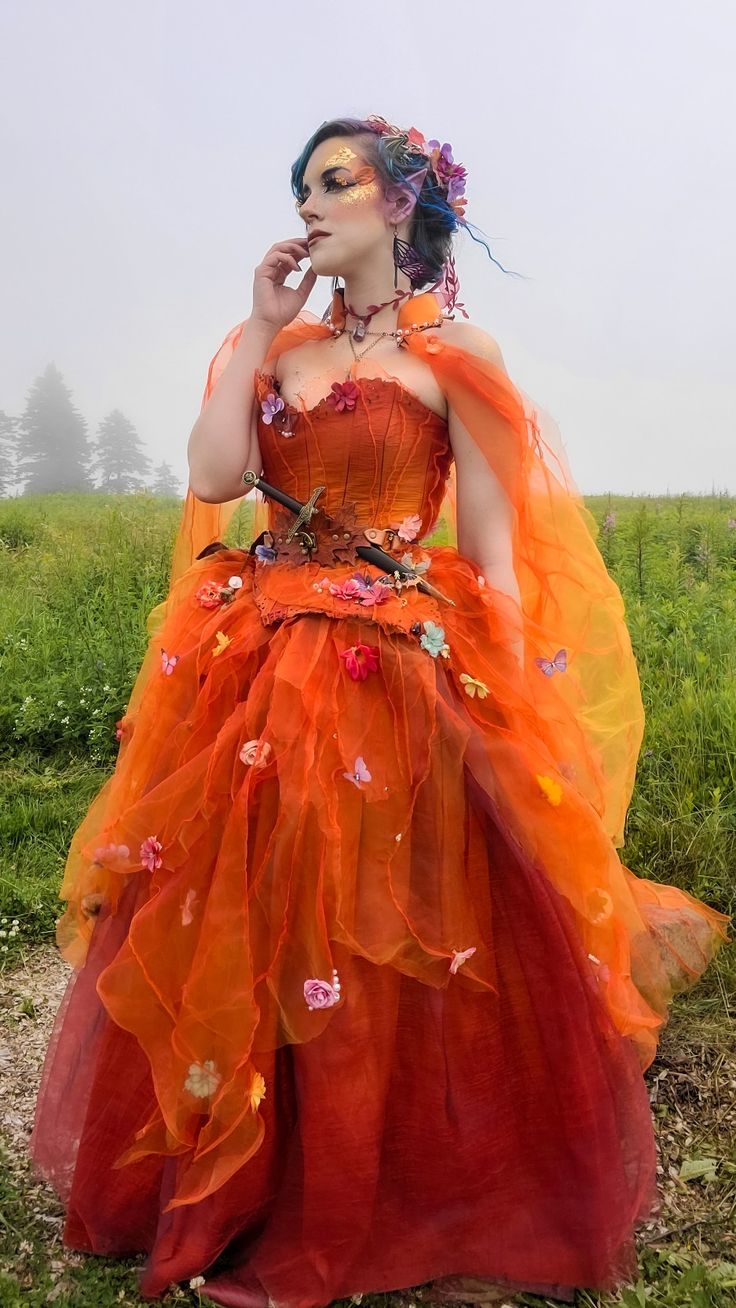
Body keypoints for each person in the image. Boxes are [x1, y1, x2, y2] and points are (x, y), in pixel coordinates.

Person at [30, 114, 731, 1308]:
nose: (309, 203)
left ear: (400, 204)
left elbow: (496, 553)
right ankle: (247, 1177)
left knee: (387, 910)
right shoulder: (277, 347)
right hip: (256, 655)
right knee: (246, 899)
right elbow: (210, 481)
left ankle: (387, 1182)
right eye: (302, 186)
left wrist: (514, 692)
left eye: (334, 182)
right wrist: (256, 327)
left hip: (397, 651)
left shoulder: (458, 353)